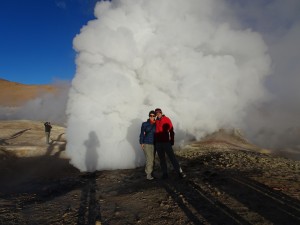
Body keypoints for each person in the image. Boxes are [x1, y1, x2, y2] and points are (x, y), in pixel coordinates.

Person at [154, 108, 186, 179]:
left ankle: (180, 172)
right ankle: (165, 173)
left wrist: (172, 140)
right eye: (156, 113)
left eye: (159, 112)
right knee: (162, 159)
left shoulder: (166, 119)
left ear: (161, 113)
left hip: (166, 142)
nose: (158, 114)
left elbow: (171, 130)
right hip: (158, 143)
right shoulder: (155, 121)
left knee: (172, 158)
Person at [139, 110, 156, 180]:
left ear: (155, 116)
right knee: (149, 159)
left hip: (154, 143)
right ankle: (148, 174)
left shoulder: (156, 123)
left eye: (153, 116)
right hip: (146, 143)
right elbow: (142, 134)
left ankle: (151, 173)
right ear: (149, 116)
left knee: (152, 159)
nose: (152, 117)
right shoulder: (144, 124)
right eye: (150, 116)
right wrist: (141, 142)